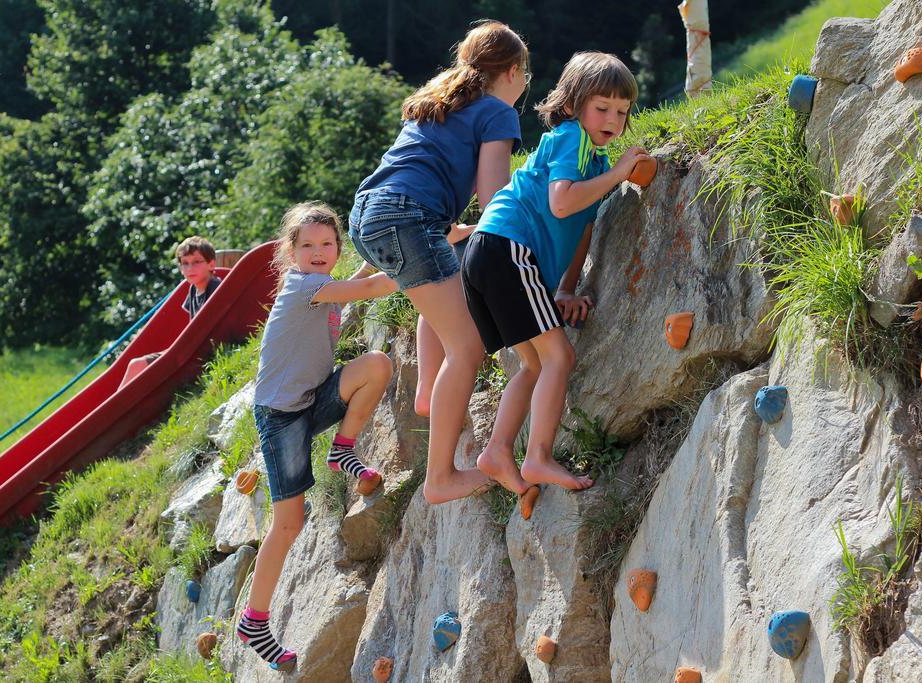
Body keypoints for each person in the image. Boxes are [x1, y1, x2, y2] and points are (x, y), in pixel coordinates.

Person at [462, 52, 654, 511]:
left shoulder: (591, 159)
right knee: (559, 357)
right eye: (602, 107)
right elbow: (563, 203)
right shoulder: (573, 139)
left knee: (533, 365)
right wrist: (620, 172)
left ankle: (496, 451)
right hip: (508, 249)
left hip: (488, 254)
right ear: (573, 104)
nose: (613, 118)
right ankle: (538, 456)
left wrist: (565, 289)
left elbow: (581, 228)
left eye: (622, 111)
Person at [348, 20, 528, 504]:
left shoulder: (437, 103)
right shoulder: (496, 112)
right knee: (468, 348)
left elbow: (419, 175)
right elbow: (493, 199)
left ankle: (430, 389)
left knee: (446, 281)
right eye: (524, 75)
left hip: (368, 214)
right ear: (512, 72)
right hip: (407, 220)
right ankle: (441, 478)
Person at [237, 202, 397, 671]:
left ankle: (342, 450)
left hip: (312, 399)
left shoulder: (325, 288)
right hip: (281, 417)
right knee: (287, 524)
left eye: (328, 244)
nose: (320, 251)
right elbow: (370, 287)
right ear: (291, 252)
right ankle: (254, 621)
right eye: (308, 245)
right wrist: (429, 248)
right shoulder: (304, 286)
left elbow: (359, 285)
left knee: (377, 367)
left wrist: (375, 255)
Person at [118, 236, 221, 389]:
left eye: (196, 262)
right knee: (136, 365)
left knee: (137, 365)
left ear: (211, 263)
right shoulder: (193, 289)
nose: (190, 269)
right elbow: (192, 327)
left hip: (198, 353)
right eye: (185, 263)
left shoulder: (215, 287)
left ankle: (119, 407)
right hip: (190, 349)